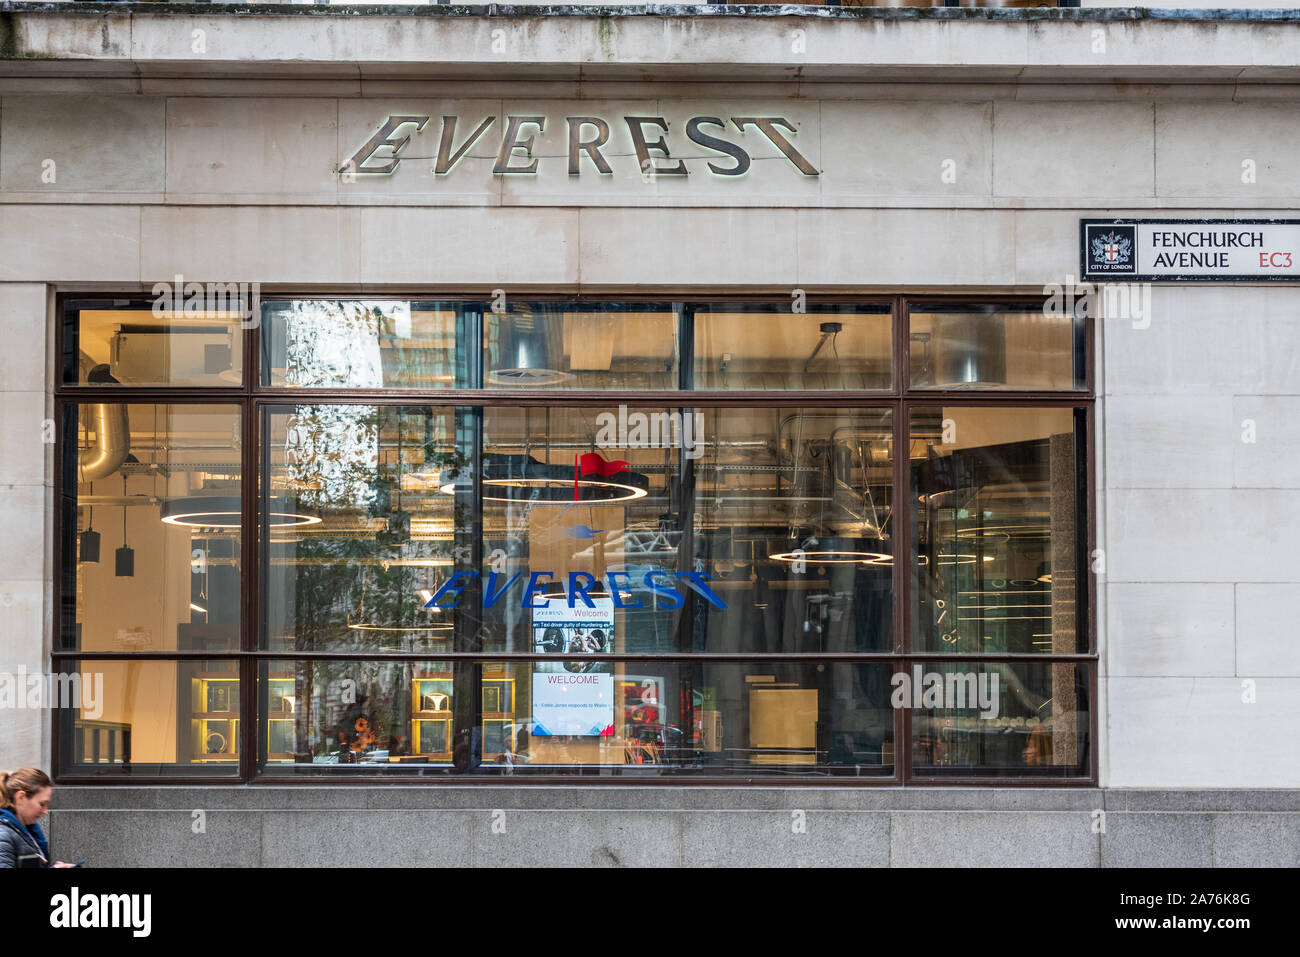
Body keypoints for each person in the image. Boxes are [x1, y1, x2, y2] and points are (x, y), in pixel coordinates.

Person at [0, 768, 76, 868]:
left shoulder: (27, 831)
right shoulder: (3, 834)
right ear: (21, 797)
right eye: (42, 804)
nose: (45, 811)